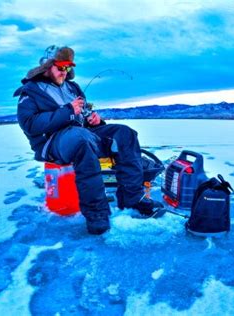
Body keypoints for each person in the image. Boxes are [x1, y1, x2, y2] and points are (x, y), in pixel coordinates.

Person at [14, 45, 164, 235]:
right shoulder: (31, 91)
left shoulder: (72, 87)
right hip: (53, 142)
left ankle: (132, 199)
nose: (64, 72)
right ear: (47, 67)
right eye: (60, 67)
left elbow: (82, 115)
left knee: (125, 134)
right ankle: (96, 213)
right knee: (81, 139)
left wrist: (94, 120)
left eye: (68, 68)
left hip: (82, 133)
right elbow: (30, 124)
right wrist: (68, 111)